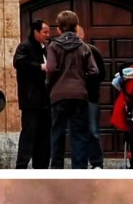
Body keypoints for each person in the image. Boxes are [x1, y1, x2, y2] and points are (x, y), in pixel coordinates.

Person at [44, 10, 99, 169]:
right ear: (76, 28)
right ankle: (79, 170)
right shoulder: (83, 47)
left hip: (59, 95)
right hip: (79, 95)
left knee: (57, 134)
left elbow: (51, 68)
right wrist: (83, 83)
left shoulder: (54, 46)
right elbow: (94, 71)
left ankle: (56, 170)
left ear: (58, 29)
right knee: (79, 135)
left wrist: (50, 86)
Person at [13, 19, 53, 168]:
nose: (48, 35)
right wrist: (40, 67)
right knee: (29, 133)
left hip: (46, 99)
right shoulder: (25, 46)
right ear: (36, 32)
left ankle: (41, 166)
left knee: (44, 135)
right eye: (45, 32)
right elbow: (19, 63)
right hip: (31, 99)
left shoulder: (47, 47)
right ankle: (22, 165)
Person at [75, 24, 106, 168]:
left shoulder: (92, 51)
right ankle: (79, 164)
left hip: (90, 98)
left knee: (93, 131)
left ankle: (96, 162)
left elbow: (101, 74)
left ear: (82, 35)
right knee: (77, 131)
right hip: (74, 98)